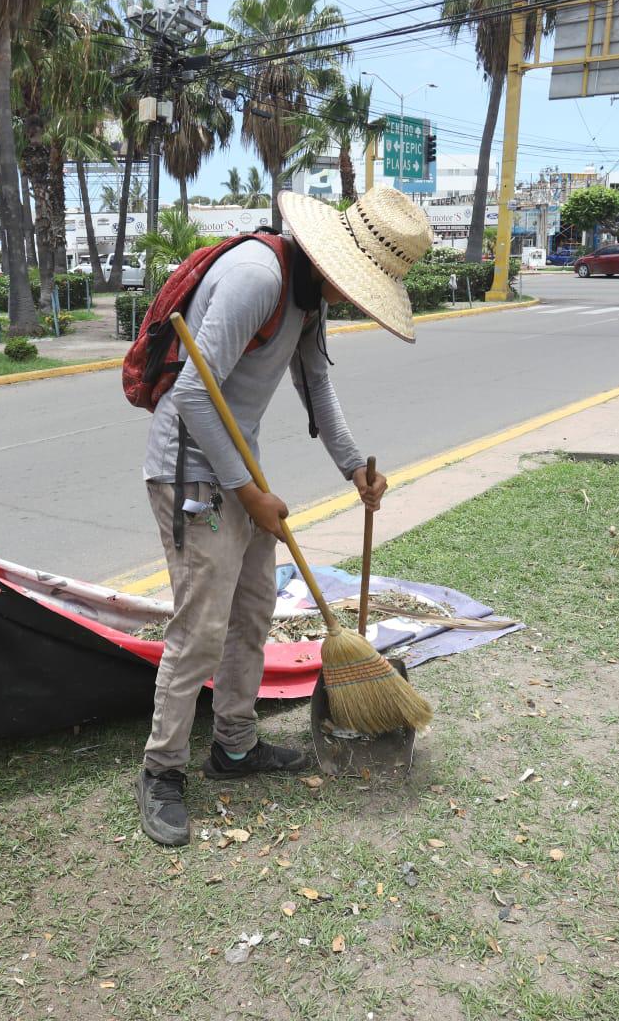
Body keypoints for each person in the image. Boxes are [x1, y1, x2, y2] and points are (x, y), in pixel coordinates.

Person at [134, 187, 428, 847]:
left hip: (242, 475)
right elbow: (191, 394)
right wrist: (247, 495)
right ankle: (162, 770)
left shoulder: (308, 296)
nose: (357, 299)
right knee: (201, 627)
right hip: (190, 475)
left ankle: (234, 746)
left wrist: (353, 467)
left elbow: (317, 387)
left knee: (254, 609)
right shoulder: (257, 278)